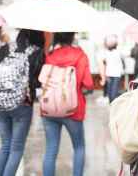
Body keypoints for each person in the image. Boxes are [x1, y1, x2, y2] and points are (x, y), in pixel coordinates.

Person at [42, 32, 94, 176]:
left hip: (49, 108)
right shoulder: (80, 55)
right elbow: (89, 84)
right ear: (72, 37)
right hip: (73, 109)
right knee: (79, 147)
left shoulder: (50, 55)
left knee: (50, 149)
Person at [0, 29, 45, 176]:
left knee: (5, 145)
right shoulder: (37, 52)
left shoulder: (6, 48)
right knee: (16, 148)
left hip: (0, 102)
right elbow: (38, 81)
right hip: (22, 104)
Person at [99, 34, 124, 103]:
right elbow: (103, 64)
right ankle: (112, 105)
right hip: (109, 74)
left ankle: (114, 104)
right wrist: (104, 76)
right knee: (110, 93)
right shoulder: (105, 53)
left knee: (113, 93)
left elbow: (122, 63)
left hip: (116, 75)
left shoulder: (118, 52)